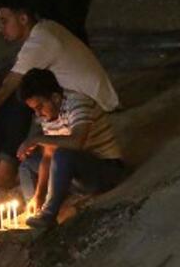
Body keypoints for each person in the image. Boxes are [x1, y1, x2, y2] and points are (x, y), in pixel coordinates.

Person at [0, 0, 119, 201]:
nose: (0, 29)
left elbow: (9, 86)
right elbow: (10, 71)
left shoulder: (41, 42)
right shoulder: (42, 31)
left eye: (4, 21)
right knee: (8, 90)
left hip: (91, 108)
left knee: (15, 95)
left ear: (23, 18)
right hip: (73, 103)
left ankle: (5, 171)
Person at [16, 68, 125, 229]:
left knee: (63, 154)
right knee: (27, 164)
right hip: (74, 174)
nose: (38, 113)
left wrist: (36, 139)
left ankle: (49, 215)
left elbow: (76, 142)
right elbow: (47, 157)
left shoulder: (78, 103)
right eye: (34, 109)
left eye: (40, 106)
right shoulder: (49, 114)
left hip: (105, 171)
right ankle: (37, 207)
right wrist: (38, 195)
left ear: (55, 97)